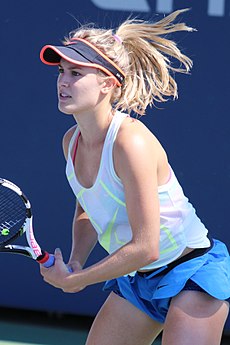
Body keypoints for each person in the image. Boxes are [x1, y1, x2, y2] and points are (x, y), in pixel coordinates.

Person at [39, 8, 230, 345]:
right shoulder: (71, 142)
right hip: (137, 281)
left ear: (107, 84)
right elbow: (88, 207)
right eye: (61, 71)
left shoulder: (131, 142)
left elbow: (146, 247)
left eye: (76, 73)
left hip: (191, 274)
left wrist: (79, 279)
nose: (63, 82)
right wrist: (76, 260)